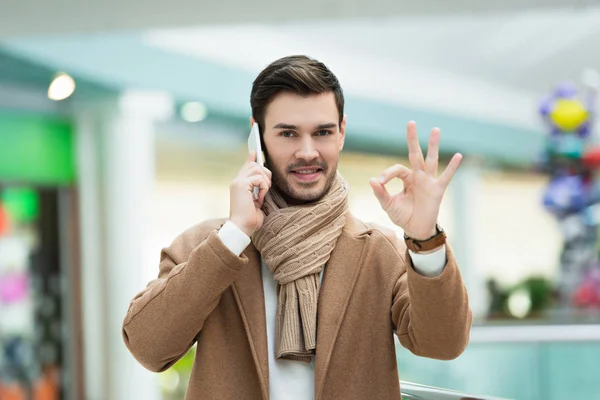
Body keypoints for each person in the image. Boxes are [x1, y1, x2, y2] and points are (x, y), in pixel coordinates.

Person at [122, 55, 472, 400]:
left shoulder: (379, 251)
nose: (307, 151)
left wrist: (425, 238)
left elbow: (443, 344)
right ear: (256, 138)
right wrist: (234, 235)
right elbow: (148, 348)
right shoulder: (210, 244)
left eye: (322, 132)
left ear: (342, 133)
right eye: (288, 133)